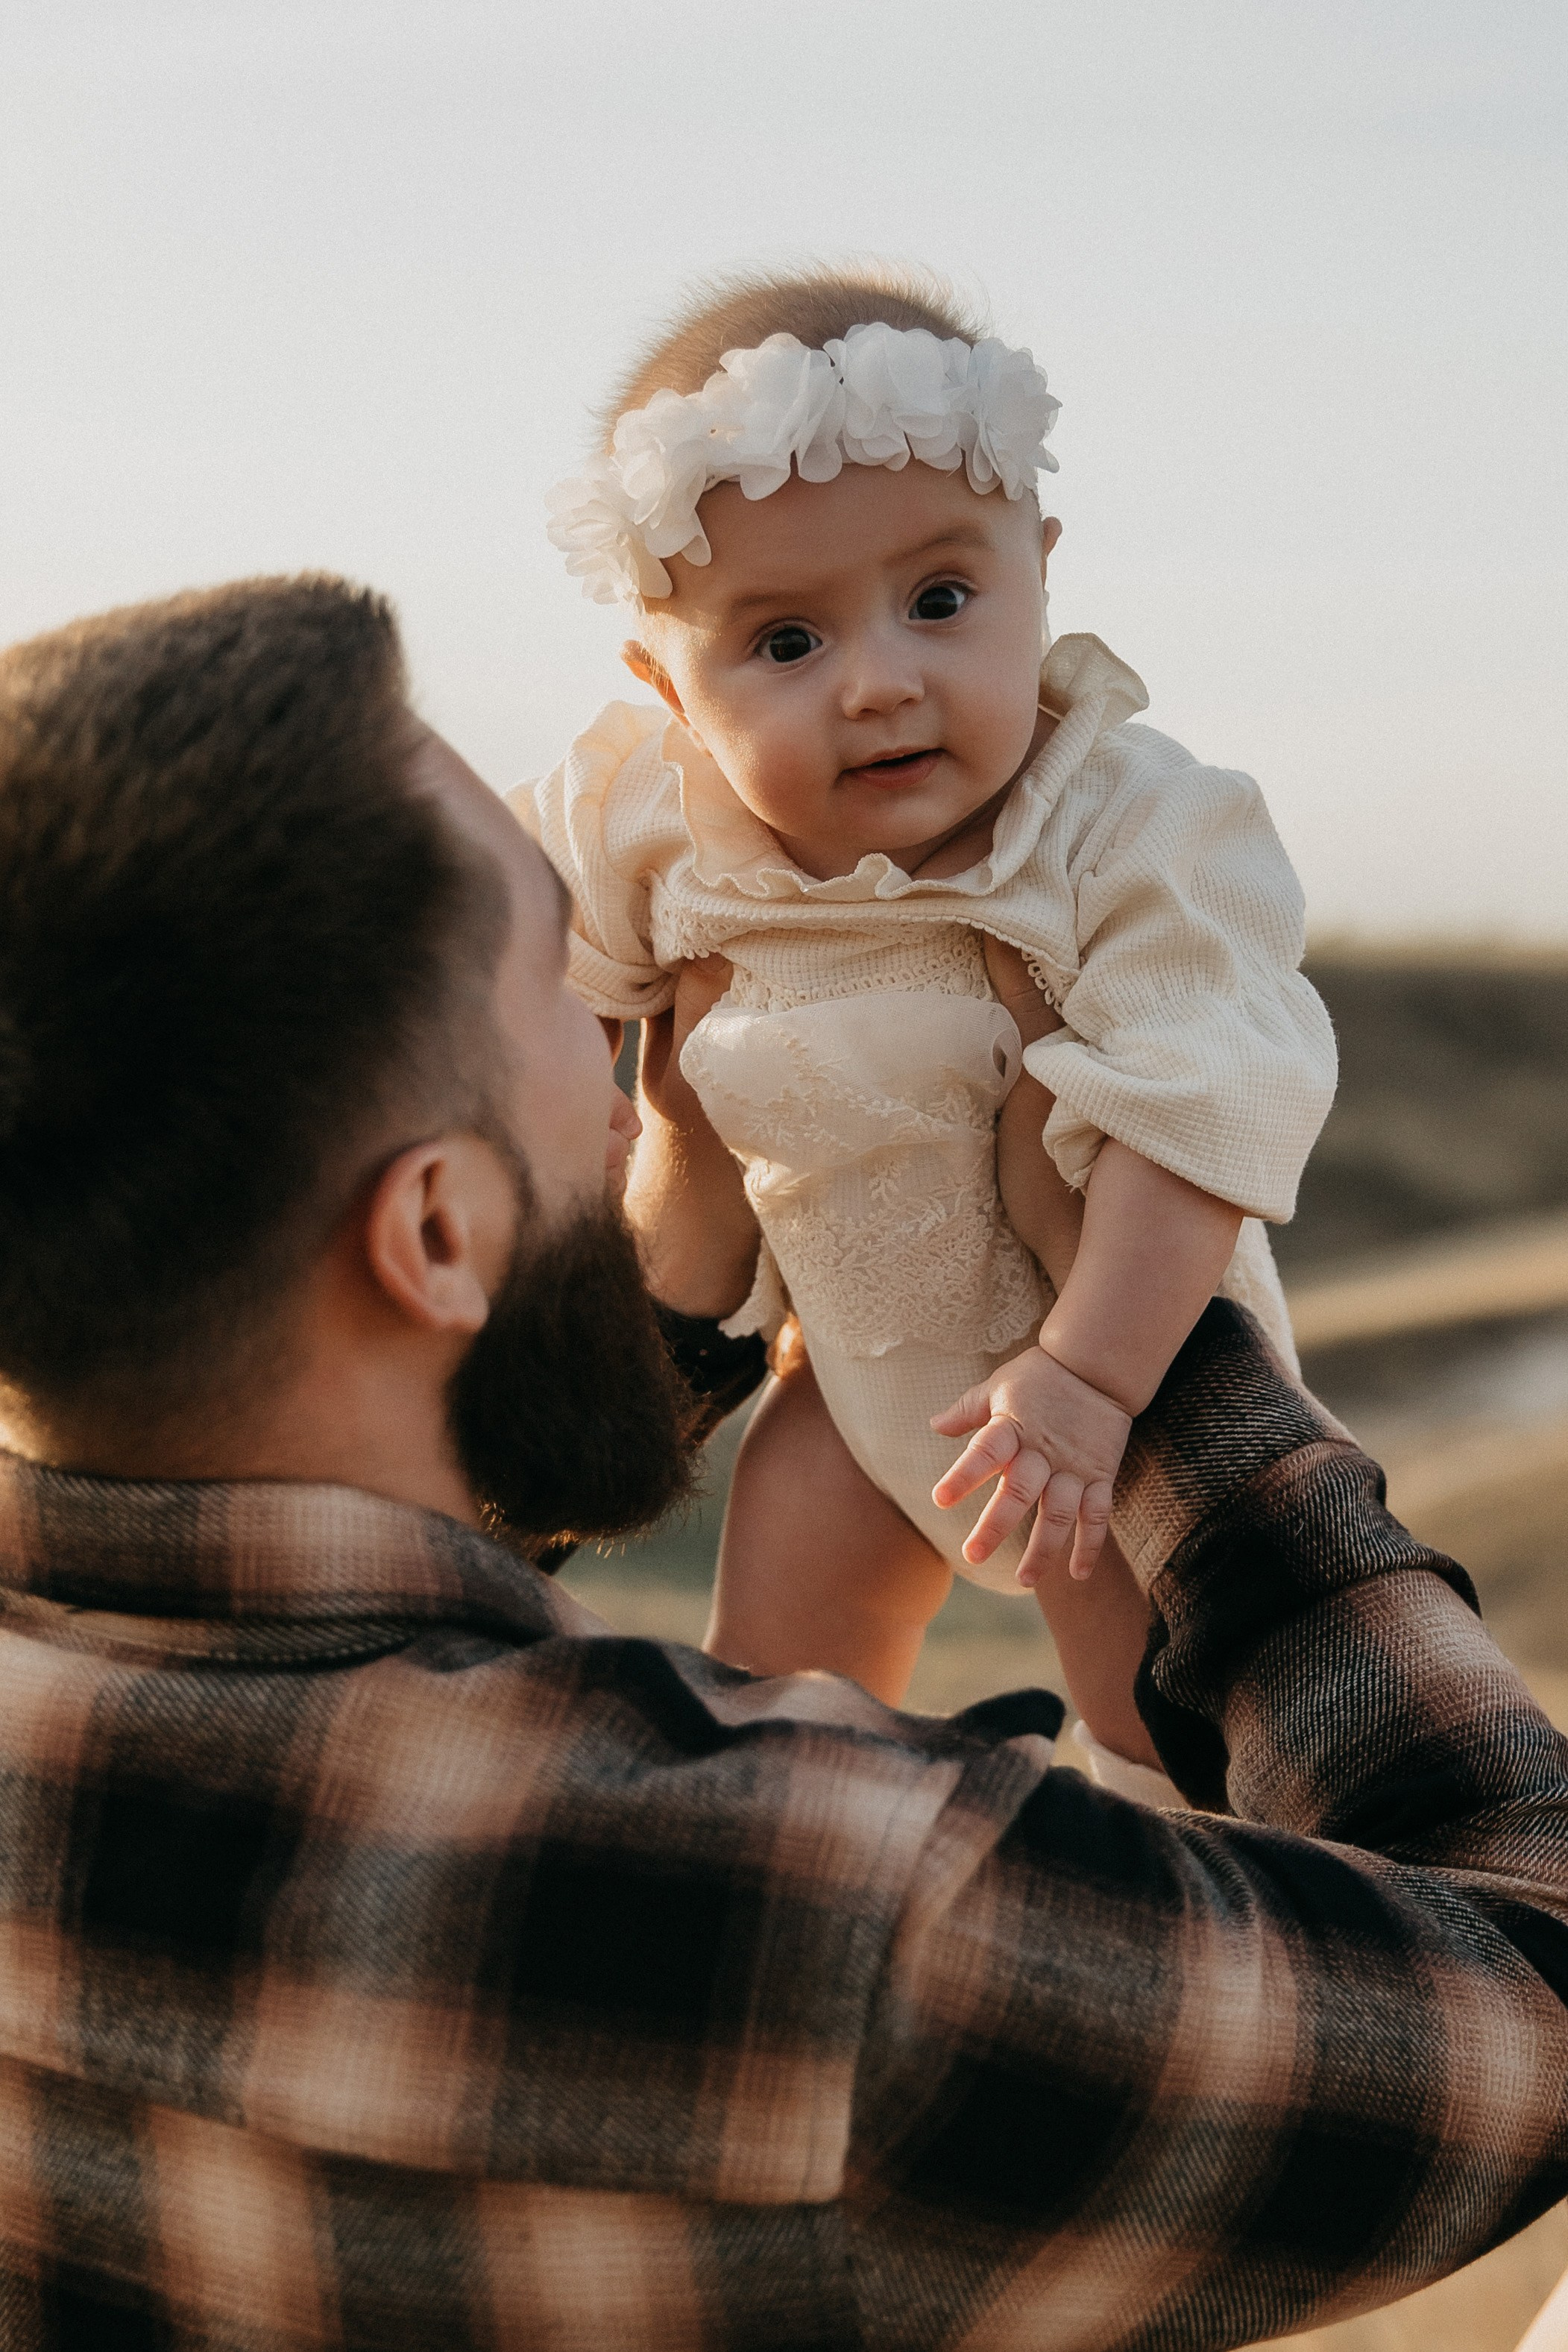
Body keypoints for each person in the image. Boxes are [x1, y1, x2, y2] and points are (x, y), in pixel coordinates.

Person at [0, 576, 1565, 2351]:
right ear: (433, 1229)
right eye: (563, 994)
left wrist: (693, 1283)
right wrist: (1135, 1348)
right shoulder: (830, 1926)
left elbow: (325, 1551)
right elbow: (1528, 1971)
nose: (624, 1091)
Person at [532, 261, 1338, 1710]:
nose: (879, 681)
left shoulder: (1124, 828)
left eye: (940, 598)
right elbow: (504, 967)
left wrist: (1088, 1380)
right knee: (778, 1688)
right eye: (786, 641)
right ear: (666, 687)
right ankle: (801, 1823)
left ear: (1042, 567)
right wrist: (573, 1117)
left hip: (1116, 1362)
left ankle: (1148, 1814)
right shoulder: (653, 821)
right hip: (849, 1381)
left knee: (1156, 1708)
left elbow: (1201, 1108)